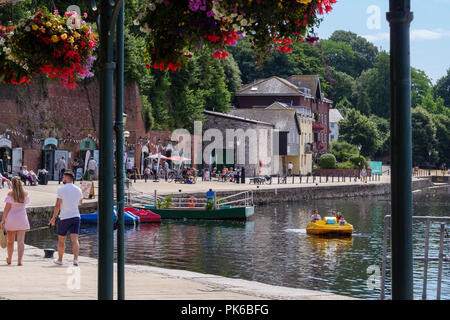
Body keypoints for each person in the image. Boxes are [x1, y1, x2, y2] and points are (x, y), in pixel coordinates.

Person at [49, 171, 83, 266]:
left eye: (64, 177)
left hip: (64, 217)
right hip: (76, 216)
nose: (63, 178)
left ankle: (60, 260)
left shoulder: (61, 189)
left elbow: (57, 205)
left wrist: (53, 218)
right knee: (75, 239)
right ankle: (76, 260)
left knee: (61, 240)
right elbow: (80, 203)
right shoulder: (78, 189)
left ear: (67, 178)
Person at [1, 177, 30, 265]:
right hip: (22, 218)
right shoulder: (25, 193)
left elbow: (6, 209)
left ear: (12, 184)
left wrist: (2, 220)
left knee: (10, 241)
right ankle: (19, 261)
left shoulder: (10, 194)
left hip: (11, 219)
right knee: (21, 241)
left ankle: (9, 259)